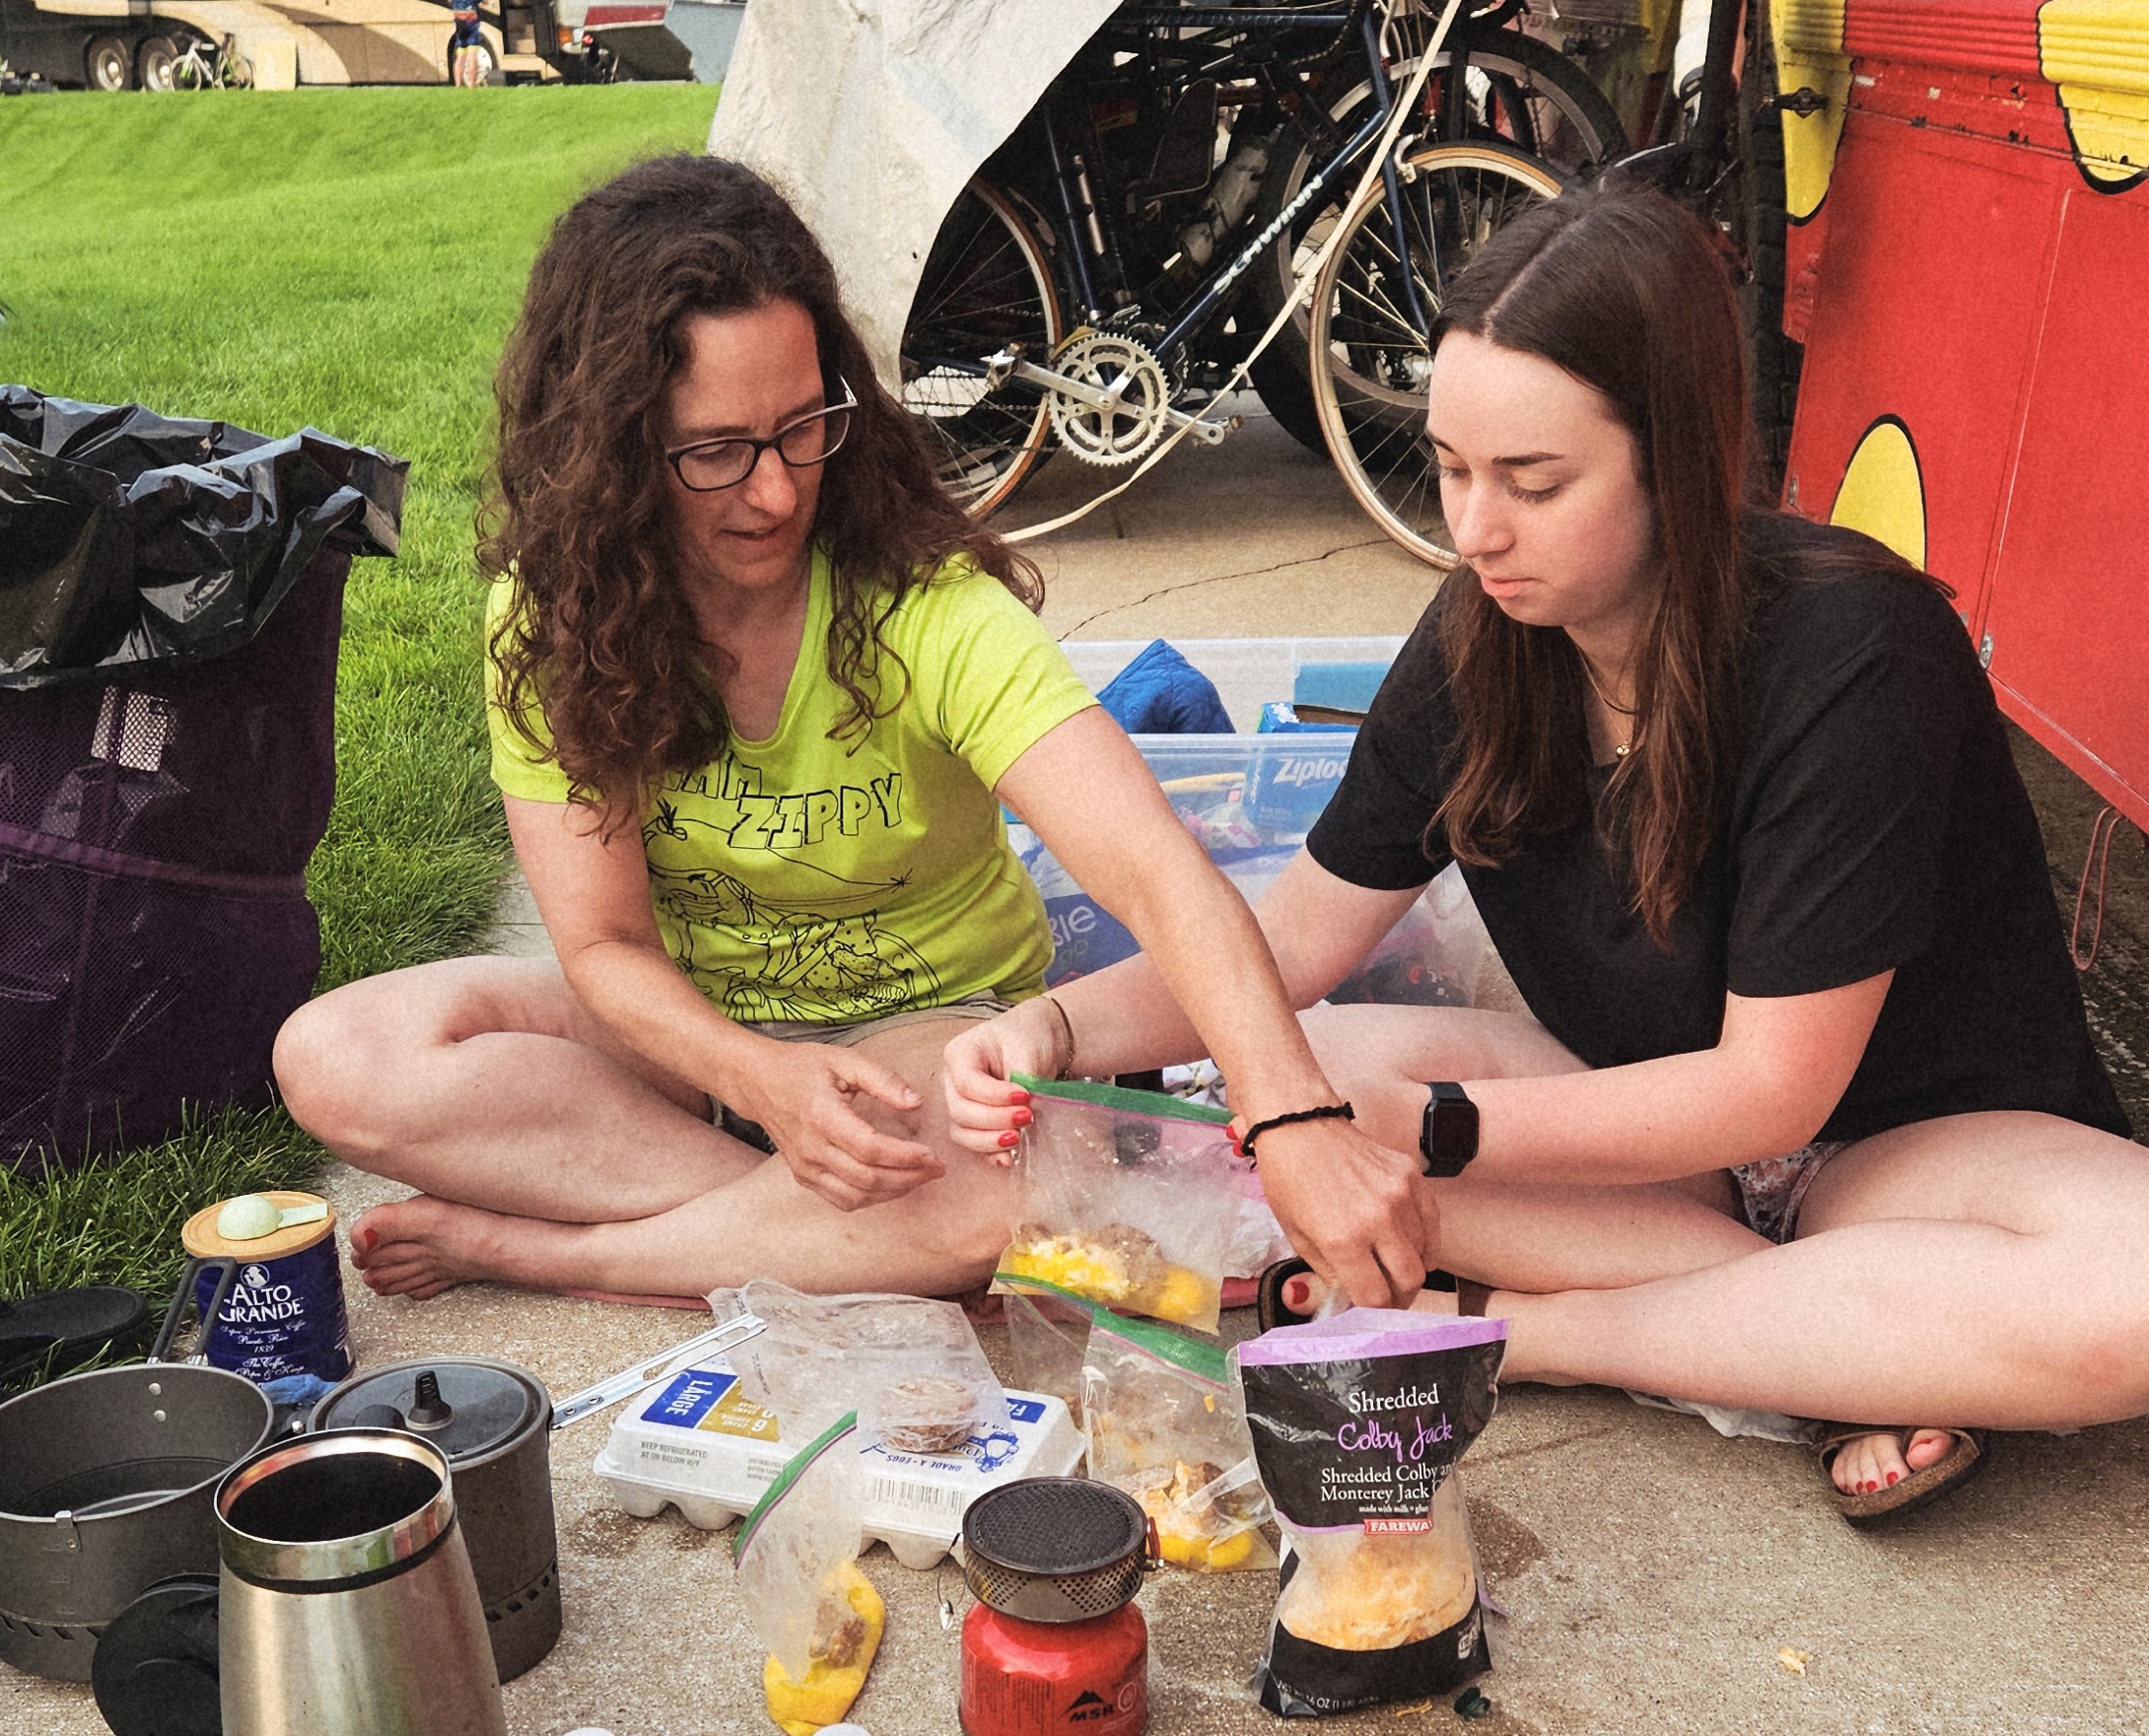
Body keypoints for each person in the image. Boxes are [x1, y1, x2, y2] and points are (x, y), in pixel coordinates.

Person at [945, 184, 2149, 1521]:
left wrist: (1428, 1128)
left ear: (1672, 461)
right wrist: (1052, 1029)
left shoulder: (1854, 652)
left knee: (2134, 1292)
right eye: (1451, 468)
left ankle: (1518, 1333)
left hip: (1908, 1153)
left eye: (1533, 483)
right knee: (1280, 1080)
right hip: (1634, 1141)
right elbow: (1288, 944)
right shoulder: (1481, 639)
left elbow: (1773, 1095)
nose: (1475, 530)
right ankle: (1834, 1341)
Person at [274, 154, 1428, 1307]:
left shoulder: (928, 605)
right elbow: (604, 948)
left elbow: (1157, 872)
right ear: (609, 449)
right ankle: (829, 1229)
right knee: (336, 1057)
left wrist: (1290, 1109)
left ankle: (562, 1253)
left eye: (802, 427)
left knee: (993, 1173)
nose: (776, 491)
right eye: (715, 451)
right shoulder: (555, 614)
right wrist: (760, 1081)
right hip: (690, 1039)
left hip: (930, 1043)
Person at [449, 0, 489, 84]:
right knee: (472, 56)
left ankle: (458, 84)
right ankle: (471, 85)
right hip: (472, 22)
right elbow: (484, 0)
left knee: (460, 55)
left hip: (459, 23)